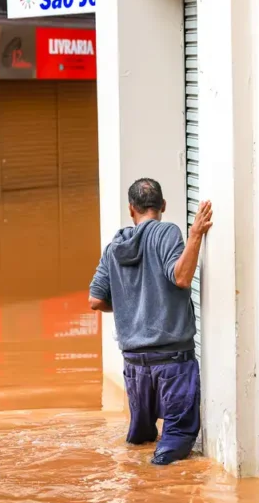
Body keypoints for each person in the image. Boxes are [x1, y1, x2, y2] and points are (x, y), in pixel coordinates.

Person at [88, 178, 213, 465]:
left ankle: (137, 493)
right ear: (163, 206)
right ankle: (157, 492)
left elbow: (95, 300)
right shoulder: (167, 233)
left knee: (140, 440)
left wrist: (126, 307)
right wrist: (195, 236)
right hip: (173, 362)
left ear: (131, 209)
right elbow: (181, 278)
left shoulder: (113, 248)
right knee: (174, 445)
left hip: (134, 366)